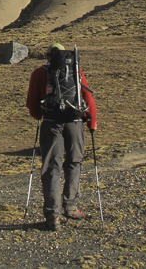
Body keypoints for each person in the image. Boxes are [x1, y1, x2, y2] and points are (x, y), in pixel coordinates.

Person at [25, 42, 98, 230]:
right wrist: (92, 122)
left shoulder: (39, 73)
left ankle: (53, 216)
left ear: (48, 56)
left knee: (51, 167)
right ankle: (71, 207)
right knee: (74, 162)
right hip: (75, 122)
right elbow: (87, 97)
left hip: (51, 123)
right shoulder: (75, 70)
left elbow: (32, 104)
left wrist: (39, 115)